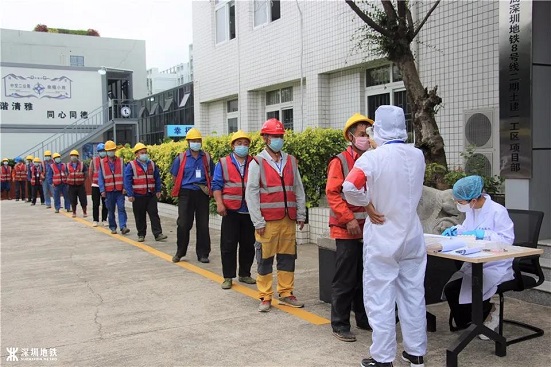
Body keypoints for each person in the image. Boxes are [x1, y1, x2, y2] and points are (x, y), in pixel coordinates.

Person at [342, 105, 427, 367]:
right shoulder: (417, 156)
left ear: (377, 129)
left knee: (381, 297)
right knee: (413, 295)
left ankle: (382, 358)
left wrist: (367, 204)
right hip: (412, 235)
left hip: (382, 235)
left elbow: (349, 186)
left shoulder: (371, 158)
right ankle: (415, 354)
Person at [245, 118, 307, 312]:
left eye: (280, 136)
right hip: (267, 221)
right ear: (265, 138)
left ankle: (286, 292)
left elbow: (298, 188)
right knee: (264, 258)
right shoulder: (258, 162)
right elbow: (251, 193)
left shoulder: (291, 160)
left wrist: (301, 213)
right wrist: (257, 221)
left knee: (288, 257)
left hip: (288, 219)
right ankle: (265, 296)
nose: (278, 139)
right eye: (274, 136)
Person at [441, 175, 514, 339]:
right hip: (475, 260)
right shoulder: (472, 210)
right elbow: (467, 229)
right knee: (452, 290)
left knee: (472, 289)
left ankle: (489, 313)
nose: (458, 205)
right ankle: (471, 324)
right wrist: (457, 230)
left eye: (461, 202)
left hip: (496, 264)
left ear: (474, 199)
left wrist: (482, 234)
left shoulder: (497, 211)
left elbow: (507, 241)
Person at [326, 113, 372, 342]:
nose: (366, 138)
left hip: (368, 229)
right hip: (347, 229)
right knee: (345, 278)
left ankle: (363, 318)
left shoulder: (373, 158)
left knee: (365, 277)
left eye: (368, 134)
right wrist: (349, 219)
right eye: (362, 134)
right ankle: (340, 324)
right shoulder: (340, 161)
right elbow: (333, 194)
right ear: (351, 136)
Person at [212, 130, 256, 290]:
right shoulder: (223, 163)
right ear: (232, 145)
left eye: (245, 144)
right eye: (239, 143)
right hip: (230, 210)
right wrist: (219, 203)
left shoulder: (255, 162)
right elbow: (216, 185)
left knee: (248, 244)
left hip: (250, 211)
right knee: (228, 244)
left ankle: (245, 273)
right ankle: (228, 276)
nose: (242, 147)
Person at [170, 128, 214, 263]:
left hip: (201, 193)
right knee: (183, 223)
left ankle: (203, 254)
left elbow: (212, 174)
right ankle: (180, 252)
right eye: (193, 141)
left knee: (203, 224)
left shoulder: (206, 157)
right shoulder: (181, 157)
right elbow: (174, 176)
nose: (196, 143)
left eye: (198, 140)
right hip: (186, 193)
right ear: (188, 142)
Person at [124, 143, 167, 242]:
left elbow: (157, 178)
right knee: (140, 216)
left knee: (154, 214)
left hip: (150, 194)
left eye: (145, 152)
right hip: (138, 195)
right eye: (142, 153)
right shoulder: (131, 165)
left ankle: (158, 234)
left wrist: (158, 190)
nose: (144, 154)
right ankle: (141, 234)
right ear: (137, 154)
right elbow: (127, 180)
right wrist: (130, 194)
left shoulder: (151, 164)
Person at [99, 140, 129, 235]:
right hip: (109, 191)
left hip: (119, 190)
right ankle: (113, 227)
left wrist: (125, 187)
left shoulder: (120, 161)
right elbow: (100, 177)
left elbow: (124, 175)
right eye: (109, 150)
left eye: (112, 150)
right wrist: (102, 190)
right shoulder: (102, 163)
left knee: (121, 208)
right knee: (111, 210)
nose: (111, 152)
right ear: (107, 151)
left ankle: (123, 226)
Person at [89, 144, 108, 227]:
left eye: (104, 151)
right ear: (98, 152)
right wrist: (92, 182)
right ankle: (95, 220)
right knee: (96, 203)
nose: (102, 152)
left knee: (105, 204)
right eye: (101, 151)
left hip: (106, 185)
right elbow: (90, 172)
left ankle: (104, 219)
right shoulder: (93, 160)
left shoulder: (108, 160)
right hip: (95, 185)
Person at [66, 149, 88, 218]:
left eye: (75, 156)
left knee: (83, 199)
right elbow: (66, 174)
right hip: (71, 185)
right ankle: (74, 212)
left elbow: (86, 173)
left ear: (77, 156)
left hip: (80, 185)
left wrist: (82, 180)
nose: (73, 157)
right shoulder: (67, 165)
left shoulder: (82, 164)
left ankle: (84, 212)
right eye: (72, 156)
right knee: (73, 200)